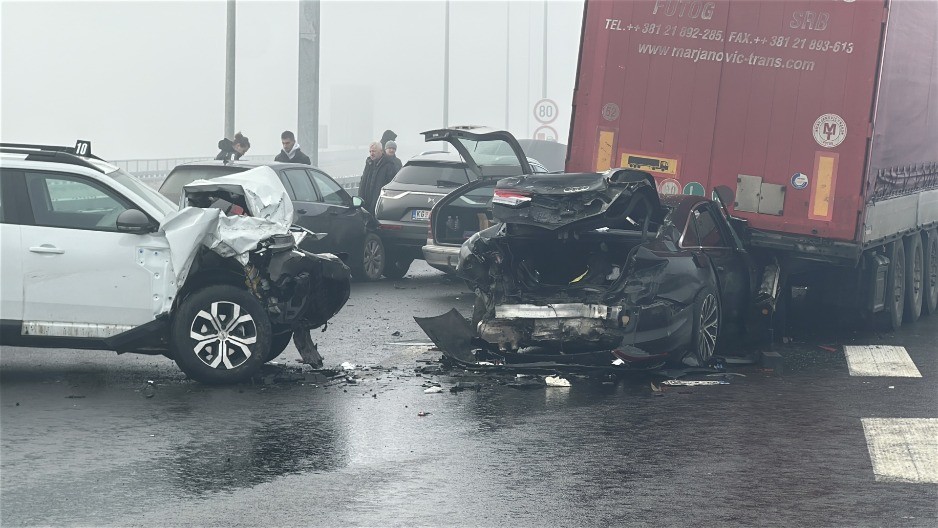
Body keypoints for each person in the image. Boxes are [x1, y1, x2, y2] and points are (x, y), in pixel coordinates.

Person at [358, 140, 398, 214]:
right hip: (366, 204)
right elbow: (362, 182)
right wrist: (360, 200)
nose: (371, 154)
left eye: (374, 151)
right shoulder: (369, 163)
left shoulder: (389, 165)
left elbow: (391, 185)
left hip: (380, 206)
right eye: (370, 151)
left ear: (381, 151)